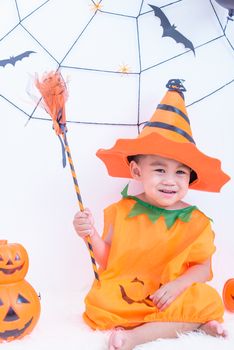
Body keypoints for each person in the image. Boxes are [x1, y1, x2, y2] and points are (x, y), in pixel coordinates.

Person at [73, 79, 230, 350]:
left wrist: (179, 285)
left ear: (190, 177)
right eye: (159, 169)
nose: (170, 180)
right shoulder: (122, 211)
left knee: (205, 298)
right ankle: (192, 323)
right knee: (99, 303)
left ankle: (134, 337)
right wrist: (90, 235)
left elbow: (203, 269)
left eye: (180, 172)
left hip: (171, 291)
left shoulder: (197, 222)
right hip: (129, 289)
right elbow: (109, 260)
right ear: (137, 172)